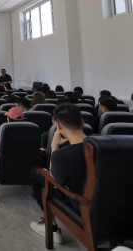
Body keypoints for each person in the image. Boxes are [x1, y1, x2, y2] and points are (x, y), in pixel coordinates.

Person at [30, 103, 87, 244]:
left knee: (36, 173)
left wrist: (54, 146)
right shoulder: (102, 146)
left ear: (59, 125)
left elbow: (53, 179)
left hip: (81, 205)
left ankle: (51, 226)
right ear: (83, 123)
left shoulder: (63, 156)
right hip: (107, 205)